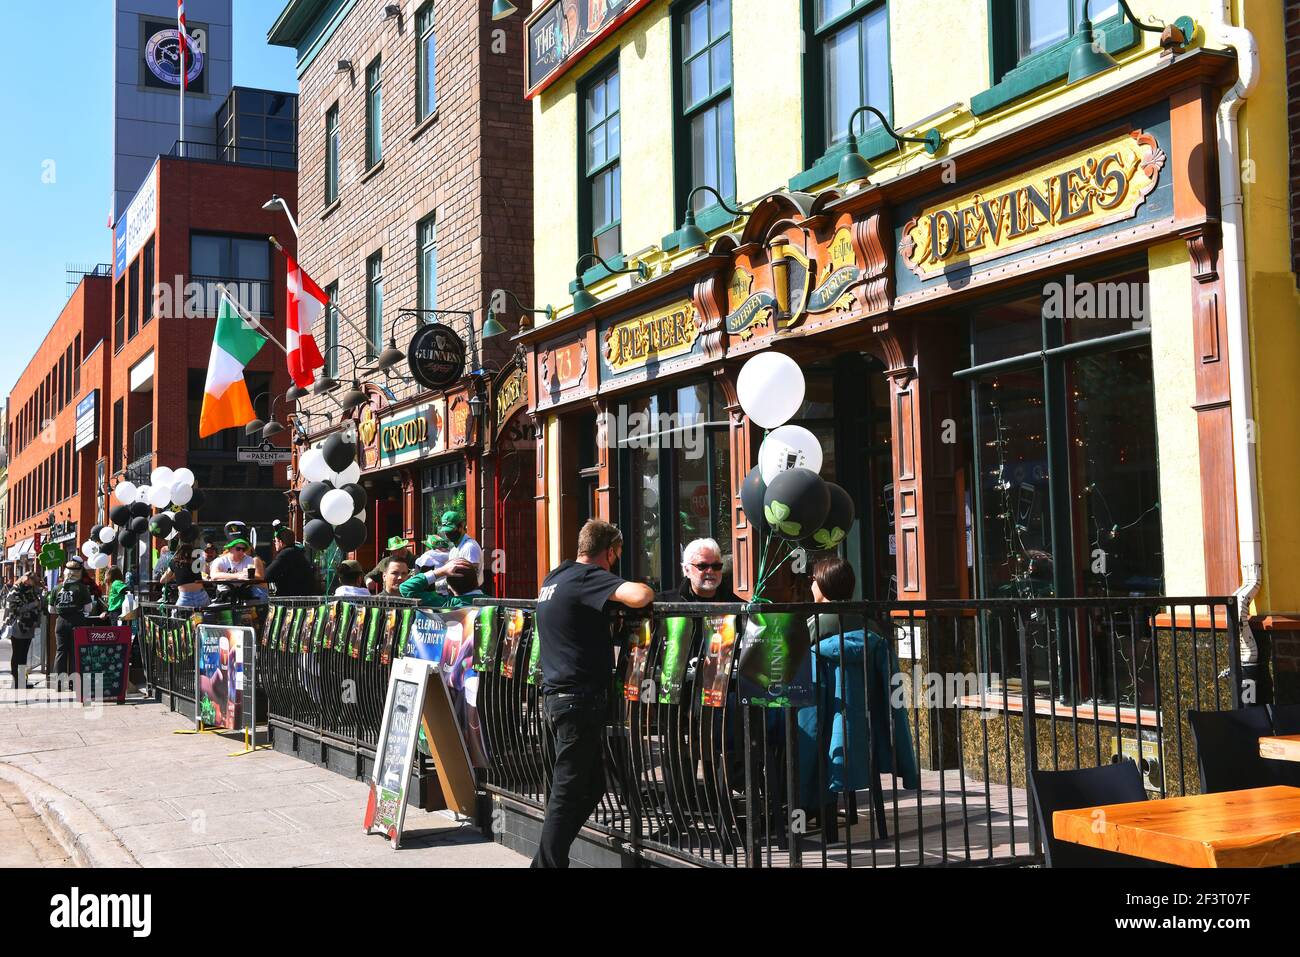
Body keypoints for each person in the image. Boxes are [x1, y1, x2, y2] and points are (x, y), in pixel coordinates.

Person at [531, 520, 654, 868]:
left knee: (591, 788)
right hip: (576, 700)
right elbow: (641, 595)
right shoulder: (587, 577)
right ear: (610, 551)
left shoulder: (554, 578)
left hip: (560, 697)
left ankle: (548, 860)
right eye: (616, 555)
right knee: (567, 793)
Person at [47, 560, 97, 691]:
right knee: (75, 652)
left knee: (61, 652)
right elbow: (88, 608)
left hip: (61, 622)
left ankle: (58, 684)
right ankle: (73, 684)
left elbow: (51, 610)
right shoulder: (82, 588)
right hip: (77, 621)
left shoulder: (56, 588)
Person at [656, 538, 738, 604]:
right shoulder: (664, 604)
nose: (710, 571)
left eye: (716, 566)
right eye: (702, 566)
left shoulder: (738, 606)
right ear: (686, 570)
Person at [4, 571, 43, 690]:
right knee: (18, 655)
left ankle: (21, 681)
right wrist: (34, 604)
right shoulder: (15, 591)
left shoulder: (30, 590)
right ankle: (17, 682)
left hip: (28, 627)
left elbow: (39, 602)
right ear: (25, 579)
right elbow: (15, 609)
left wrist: (40, 594)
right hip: (18, 627)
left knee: (23, 656)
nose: (32, 585)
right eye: (32, 582)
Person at [427, 511, 483, 588]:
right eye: (446, 531)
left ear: (461, 526)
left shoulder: (470, 547)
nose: (447, 533)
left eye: (451, 530)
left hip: (469, 594)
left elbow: (471, 576)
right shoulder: (453, 550)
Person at [399, 559, 483, 609]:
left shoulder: (446, 604)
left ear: (449, 586)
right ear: (476, 580)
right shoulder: (494, 603)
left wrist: (441, 571)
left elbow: (405, 588)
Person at [263, 526, 321, 597]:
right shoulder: (296, 551)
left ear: (281, 542)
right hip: (302, 597)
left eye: (275, 541)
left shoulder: (286, 553)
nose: (274, 543)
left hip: (291, 601)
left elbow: (267, 575)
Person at [162, 543, 211, 612]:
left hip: (185, 597)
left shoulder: (174, 562)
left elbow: (163, 580)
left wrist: (174, 576)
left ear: (178, 551)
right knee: (206, 619)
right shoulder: (197, 562)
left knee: (176, 619)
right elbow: (208, 573)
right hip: (201, 595)